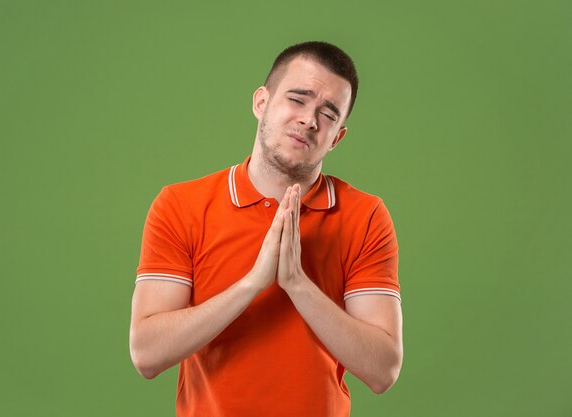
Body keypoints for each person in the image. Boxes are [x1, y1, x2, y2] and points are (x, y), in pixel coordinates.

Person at [129, 41, 403, 417]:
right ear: (262, 102)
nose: (310, 120)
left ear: (336, 137)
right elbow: (147, 354)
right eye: (298, 99)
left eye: (328, 113)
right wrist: (252, 284)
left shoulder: (366, 215)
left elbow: (382, 370)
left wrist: (297, 283)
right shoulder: (180, 205)